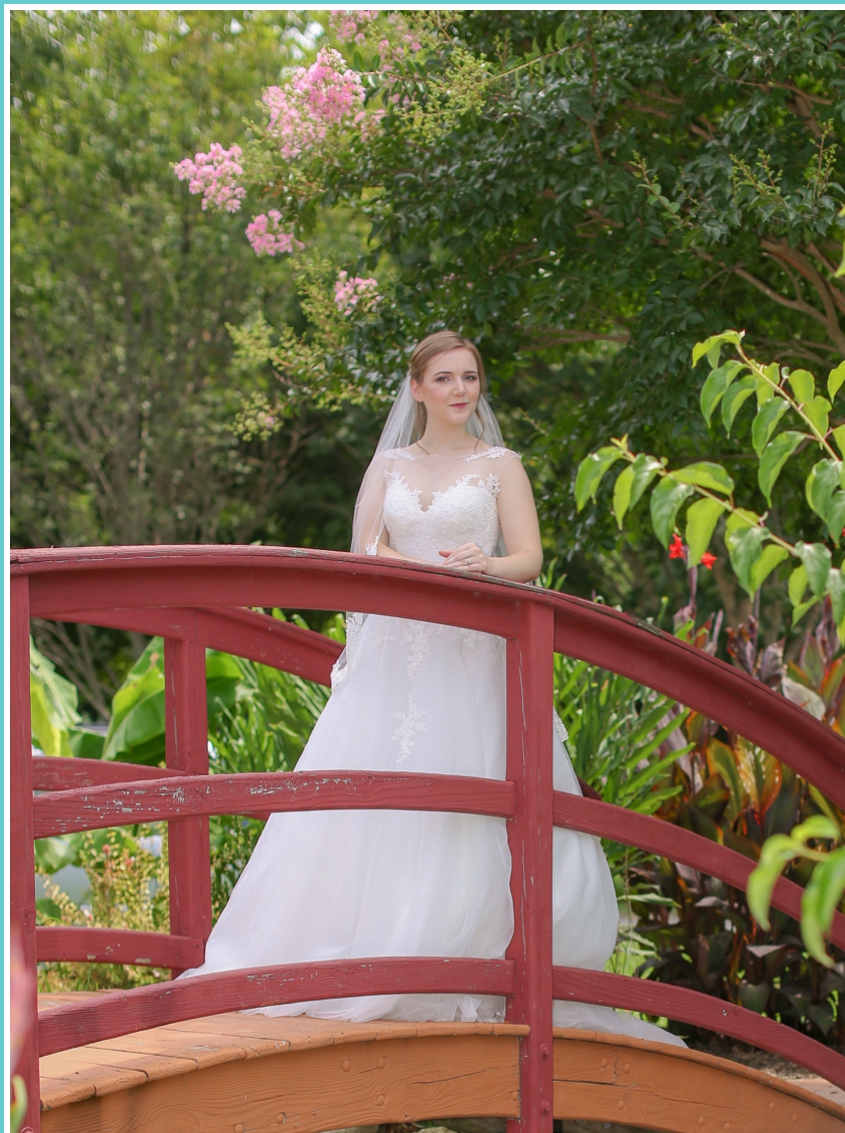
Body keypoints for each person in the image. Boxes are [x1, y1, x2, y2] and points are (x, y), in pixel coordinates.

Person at [189, 327, 676, 1041]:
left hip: (471, 651)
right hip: (396, 657)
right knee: (378, 796)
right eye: (444, 378)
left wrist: (484, 563)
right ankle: (359, 956)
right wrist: (397, 565)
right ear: (416, 388)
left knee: (472, 792)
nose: (459, 390)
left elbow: (531, 559)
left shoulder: (500, 465)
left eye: (470, 377)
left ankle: (472, 959)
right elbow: (361, 556)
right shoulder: (387, 466)